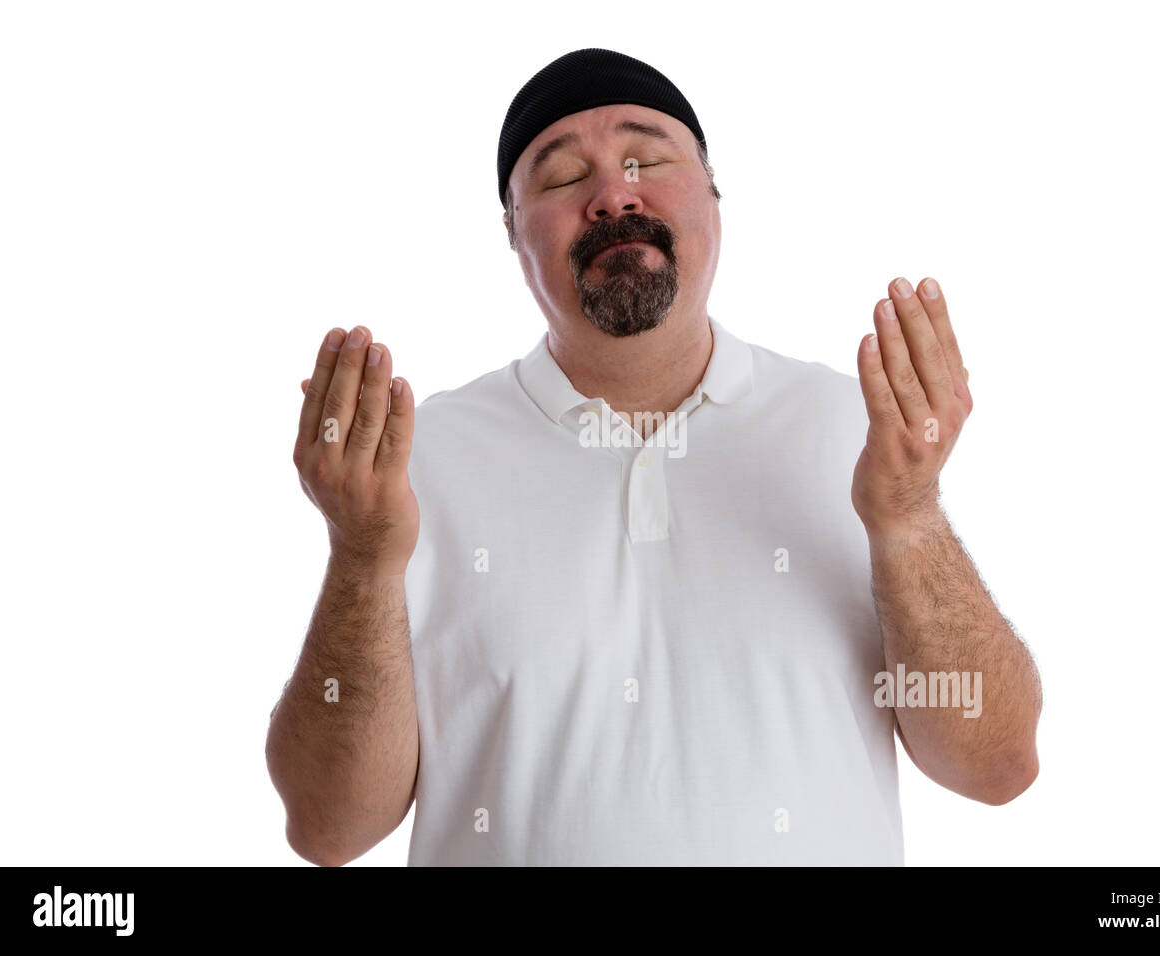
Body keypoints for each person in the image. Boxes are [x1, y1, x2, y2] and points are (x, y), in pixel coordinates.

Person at [266, 48, 1043, 866]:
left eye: (647, 157)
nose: (612, 195)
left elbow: (996, 767)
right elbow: (331, 828)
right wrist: (361, 559)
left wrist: (910, 518)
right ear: (511, 230)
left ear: (714, 195)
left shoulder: (853, 429)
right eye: (562, 177)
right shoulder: (411, 464)